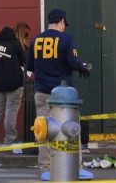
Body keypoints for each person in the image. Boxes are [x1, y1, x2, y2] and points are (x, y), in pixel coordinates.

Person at [26, 9, 91, 180]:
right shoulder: (67, 39)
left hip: (42, 92)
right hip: (65, 97)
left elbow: (30, 67)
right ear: (62, 21)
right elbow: (72, 61)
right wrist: (81, 67)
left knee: (44, 131)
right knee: (71, 130)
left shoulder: (36, 40)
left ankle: (46, 168)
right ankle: (75, 168)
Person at [0, 26, 26, 148]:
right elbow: (24, 61)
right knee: (11, 111)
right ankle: (10, 139)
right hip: (14, 83)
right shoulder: (15, 44)